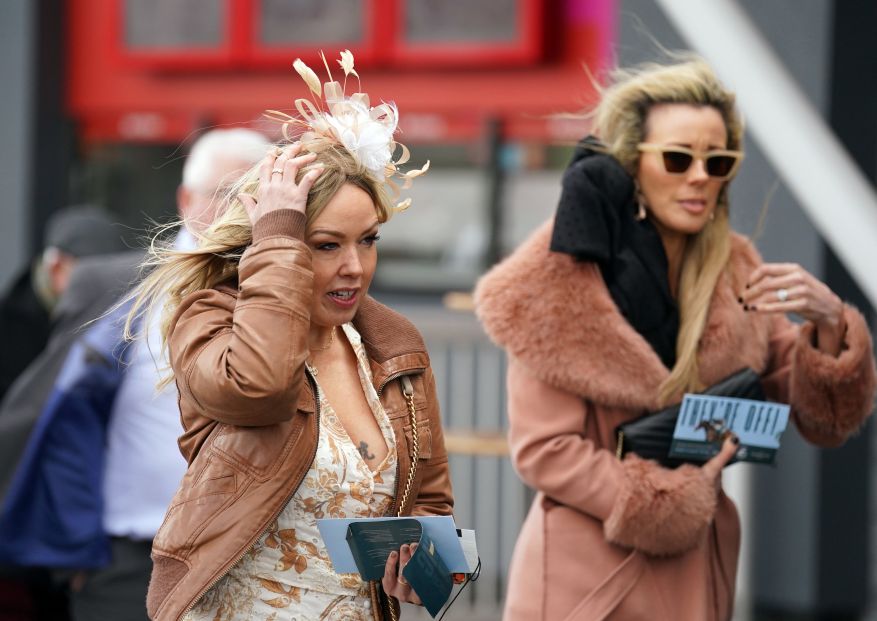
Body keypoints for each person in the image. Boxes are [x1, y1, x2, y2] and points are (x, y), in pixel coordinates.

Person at [474, 56, 876, 621]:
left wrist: (831, 322)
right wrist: (666, 503)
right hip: (590, 577)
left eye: (719, 161)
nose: (699, 177)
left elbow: (820, 417)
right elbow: (545, 450)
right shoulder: (562, 274)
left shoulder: (736, 269)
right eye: (679, 158)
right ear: (633, 162)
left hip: (696, 573)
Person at [126, 53, 451, 621]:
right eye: (326, 245)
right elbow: (259, 388)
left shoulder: (393, 341)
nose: (354, 266)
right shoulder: (208, 319)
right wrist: (277, 238)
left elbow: (428, 498)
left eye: (368, 240)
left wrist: (428, 572)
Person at [0, 128, 271, 621]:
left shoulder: (295, 294)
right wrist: (73, 558)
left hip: (259, 564)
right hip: (128, 565)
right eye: (225, 195)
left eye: (256, 195)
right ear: (185, 199)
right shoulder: (114, 284)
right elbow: (57, 416)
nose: (242, 210)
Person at [0, 204, 125, 402]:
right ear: (56, 268)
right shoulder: (9, 328)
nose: (103, 282)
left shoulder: (115, 314)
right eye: (92, 274)